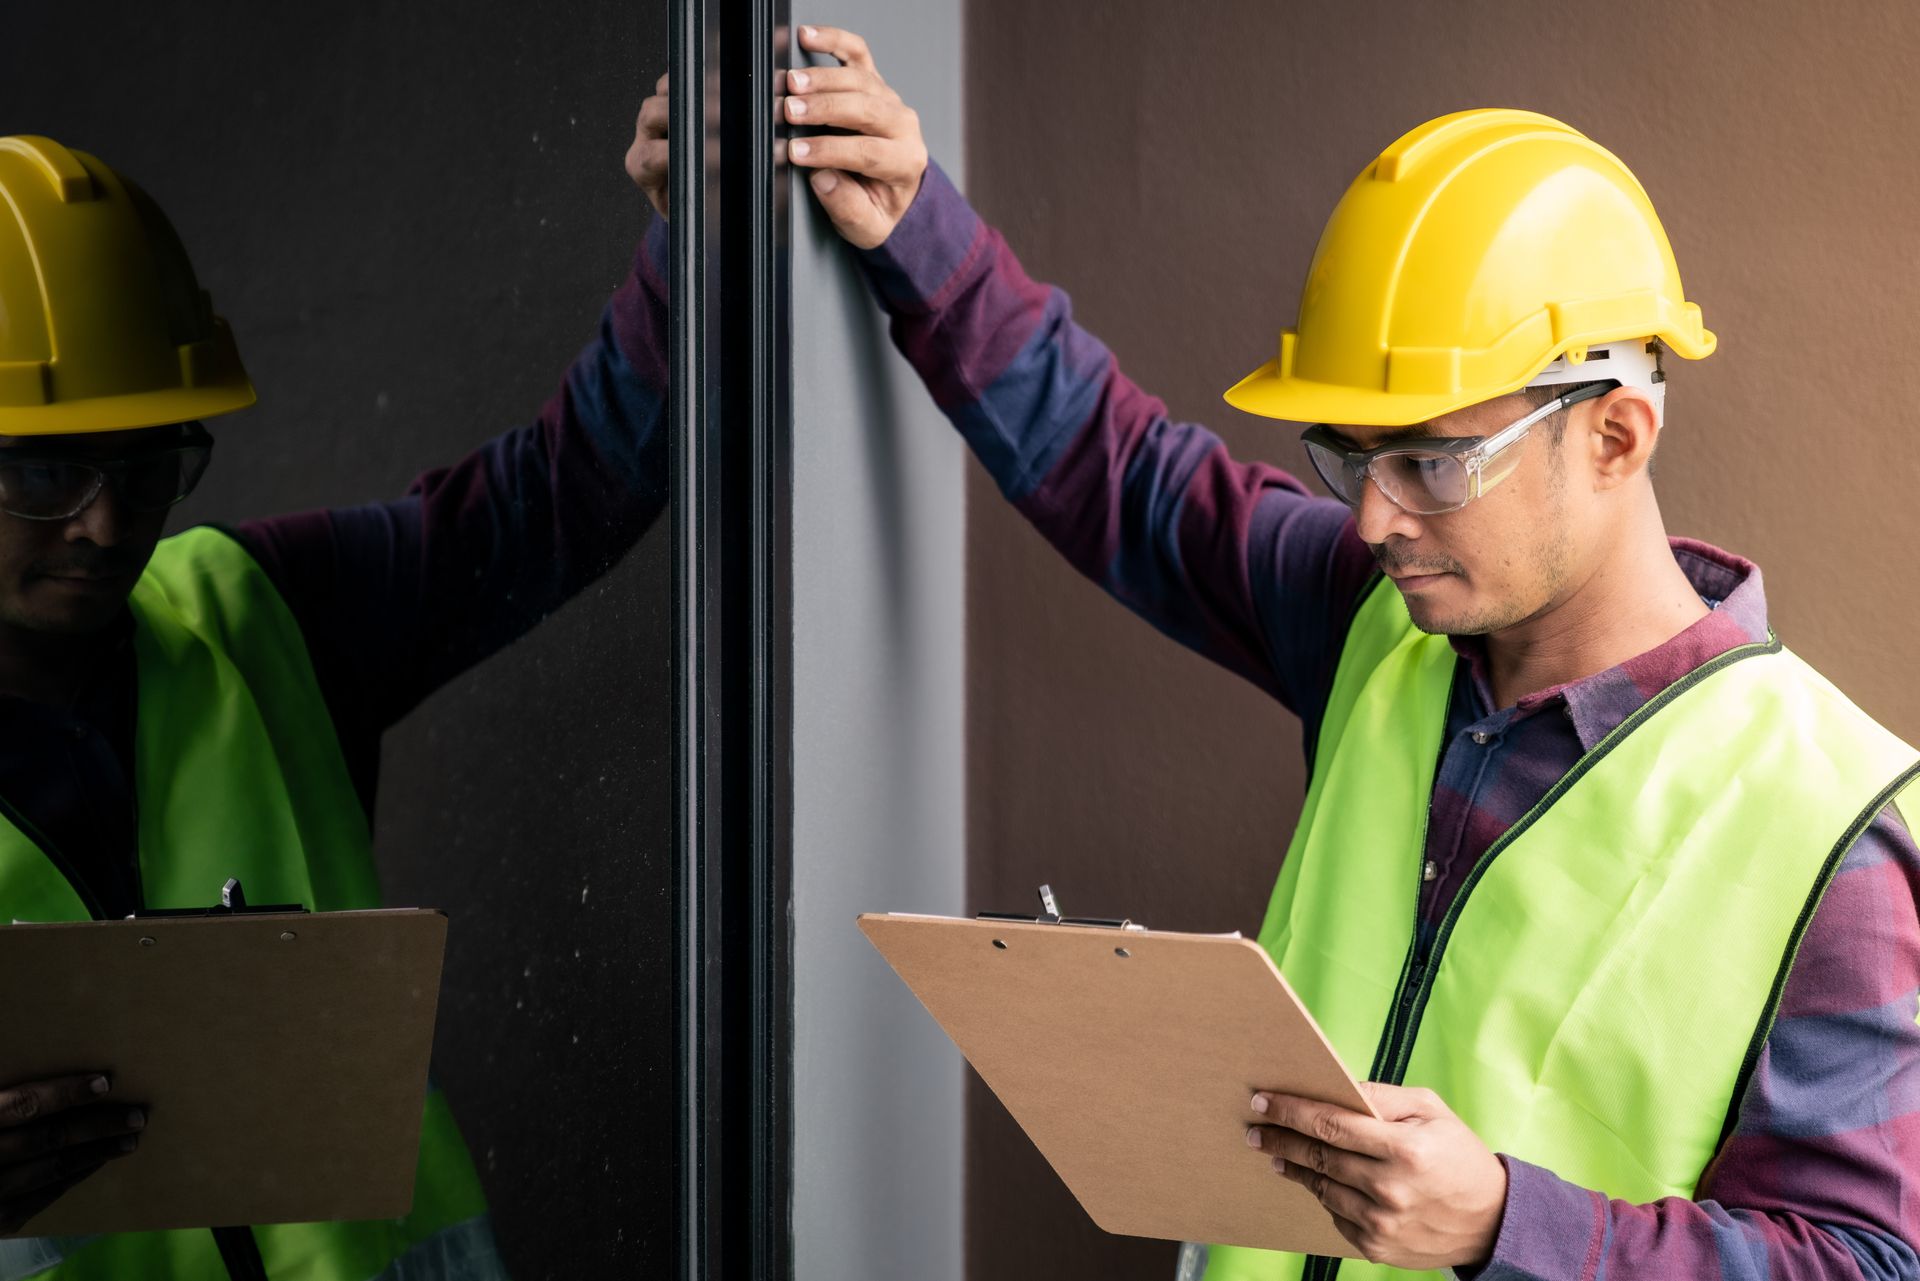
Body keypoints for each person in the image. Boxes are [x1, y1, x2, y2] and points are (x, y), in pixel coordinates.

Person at [782, 23, 1920, 1281]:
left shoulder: (1835, 831)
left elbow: (1863, 1264)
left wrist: (1503, 1223)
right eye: (1351, 457)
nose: (1376, 518)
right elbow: (1128, 478)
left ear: (1616, 435)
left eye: (1432, 461)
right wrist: (912, 229)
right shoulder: (1382, 623)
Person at [0, 86, 674, 1281]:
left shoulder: (255, 612)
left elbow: (564, 497)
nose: (107, 526)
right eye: (43, 471)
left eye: (151, 463)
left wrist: (697, 243)